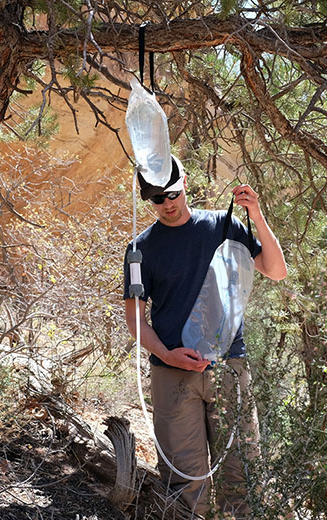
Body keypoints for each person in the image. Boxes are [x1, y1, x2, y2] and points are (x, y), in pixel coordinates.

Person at [123, 156, 287, 517]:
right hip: (172, 375)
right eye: (156, 198)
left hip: (228, 367)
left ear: (185, 184)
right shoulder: (140, 249)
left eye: (171, 193)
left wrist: (257, 216)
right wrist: (166, 356)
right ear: (146, 199)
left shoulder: (223, 224)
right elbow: (134, 318)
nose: (167, 204)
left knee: (241, 473)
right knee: (184, 480)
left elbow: (275, 270)